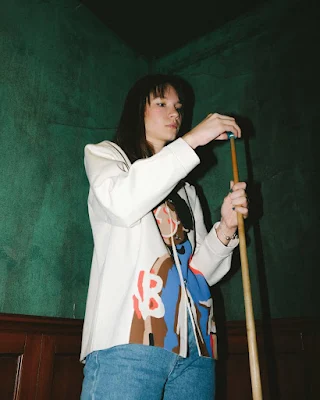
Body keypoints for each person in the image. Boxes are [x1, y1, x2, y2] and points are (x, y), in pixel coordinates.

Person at [80, 74, 248, 400]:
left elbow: (201, 273)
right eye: (161, 104)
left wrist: (226, 229)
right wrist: (194, 140)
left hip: (196, 344)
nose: (175, 114)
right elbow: (123, 203)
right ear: (136, 111)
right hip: (131, 337)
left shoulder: (186, 190)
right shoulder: (106, 156)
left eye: (178, 108)